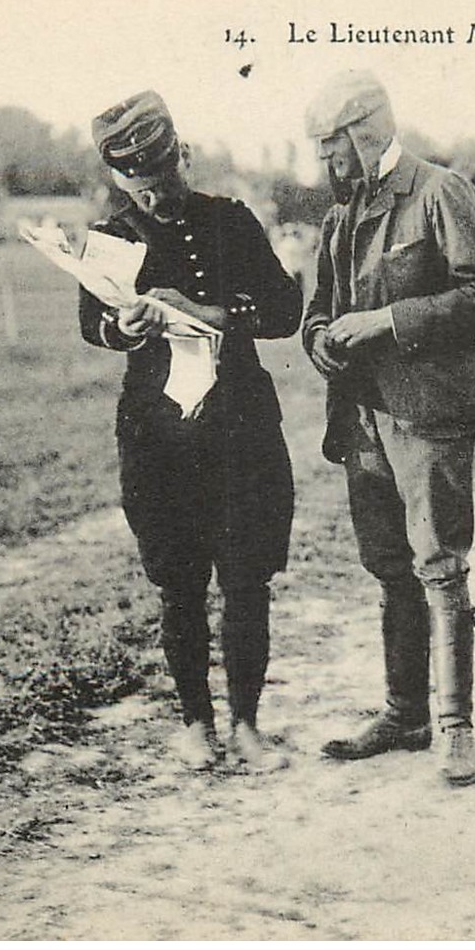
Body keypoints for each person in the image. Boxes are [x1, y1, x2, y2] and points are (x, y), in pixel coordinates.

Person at [82, 90, 302, 772]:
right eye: (138, 190)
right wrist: (122, 326)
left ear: (184, 156)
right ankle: (194, 724)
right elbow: (91, 322)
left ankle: (245, 725)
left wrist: (208, 311)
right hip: (158, 435)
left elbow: (284, 309)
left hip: (239, 427)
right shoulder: (111, 235)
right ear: (120, 181)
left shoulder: (230, 222)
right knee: (177, 584)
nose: (155, 201)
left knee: (245, 580)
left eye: (165, 183)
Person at [301, 70, 475, 787]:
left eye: (332, 147)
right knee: (389, 567)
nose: (326, 163)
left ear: (366, 131)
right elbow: (318, 312)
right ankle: (403, 713)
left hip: (429, 412)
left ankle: (455, 729)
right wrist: (322, 336)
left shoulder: (439, 191)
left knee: (439, 566)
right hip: (361, 416)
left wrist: (386, 321)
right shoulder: (338, 214)